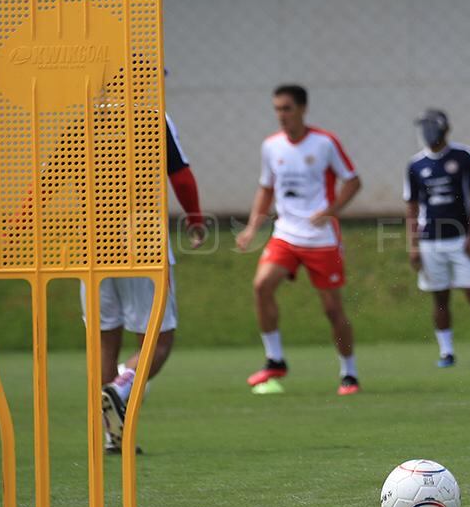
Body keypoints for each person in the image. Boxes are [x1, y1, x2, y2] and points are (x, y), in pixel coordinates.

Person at [87, 109, 206, 454]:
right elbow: (180, 176)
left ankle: (112, 435)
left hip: (91, 243)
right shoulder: (150, 115)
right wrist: (195, 218)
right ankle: (122, 385)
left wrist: (19, 221)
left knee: (105, 342)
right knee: (159, 341)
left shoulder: (82, 114)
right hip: (141, 242)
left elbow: (52, 176)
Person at [235, 84, 363, 395]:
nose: (281, 115)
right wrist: (253, 227)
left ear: (303, 109)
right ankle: (274, 358)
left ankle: (349, 373)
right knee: (261, 285)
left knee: (332, 309)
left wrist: (330, 211)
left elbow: (353, 181)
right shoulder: (271, 146)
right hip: (286, 235)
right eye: (277, 109)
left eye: (287, 109)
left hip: (321, 239)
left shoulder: (324, 143)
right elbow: (266, 188)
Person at [403, 109, 470, 368]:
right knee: (440, 297)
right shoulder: (416, 165)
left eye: (431, 126)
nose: (426, 132)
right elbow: (412, 206)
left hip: (459, 238)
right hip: (430, 241)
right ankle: (446, 352)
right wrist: (412, 244)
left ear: (444, 128)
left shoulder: (463, 156)